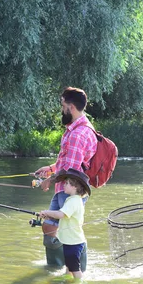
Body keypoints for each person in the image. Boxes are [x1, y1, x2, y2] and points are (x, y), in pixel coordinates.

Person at [33, 87, 98, 269]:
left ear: (71, 107)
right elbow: (67, 161)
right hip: (63, 187)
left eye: (63, 106)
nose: (62, 110)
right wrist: (50, 169)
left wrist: (49, 180)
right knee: (49, 227)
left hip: (71, 191)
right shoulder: (74, 129)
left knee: (71, 232)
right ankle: (56, 267)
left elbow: (71, 170)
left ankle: (77, 268)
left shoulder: (79, 134)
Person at [38, 169, 91, 279]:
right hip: (72, 241)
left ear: (74, 187)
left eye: (66, 183)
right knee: (69, 265)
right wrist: (49, 215)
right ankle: (67, 280)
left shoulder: (73, 201)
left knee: (75, 269)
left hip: (74, 242)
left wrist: (47, 212)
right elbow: (65, 217)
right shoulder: (73, 200)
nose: (63, 185)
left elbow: (61, 214)